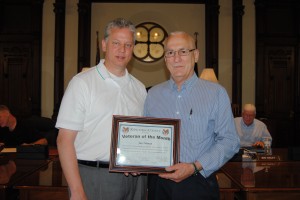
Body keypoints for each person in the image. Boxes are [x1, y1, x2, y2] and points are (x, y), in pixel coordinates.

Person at [55, 18, 147, 200]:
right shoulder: (82, 83)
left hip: (135, 179)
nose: (122, 49)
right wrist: (76, 191)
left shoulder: (140, 88)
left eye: (128, 45)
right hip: (94, 176)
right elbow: (64, 141)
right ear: (104, 45)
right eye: (116, 43)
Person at [144, 31, 240, 200]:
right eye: (170, 53)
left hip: (198, 182)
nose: (176, 58)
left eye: (183, 51)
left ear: (195, 55)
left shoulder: (216, 93)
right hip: (159, 184)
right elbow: (145, 137)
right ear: (165, 59)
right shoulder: (153, 94)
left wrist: (194, 167)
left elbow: (230, 141)